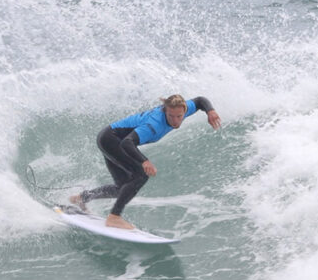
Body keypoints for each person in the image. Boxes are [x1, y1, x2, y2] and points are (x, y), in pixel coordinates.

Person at [70, 94, 221, 229]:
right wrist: (145, 161)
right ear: (165, 111)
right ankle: (114, 217)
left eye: (179, 116)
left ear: (184, 111)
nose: (175, 121)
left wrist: (211, 111)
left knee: (122, 187)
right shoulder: (154, 124)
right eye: (171, 116)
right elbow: (127, 143)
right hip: (112, 139)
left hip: (109, 137)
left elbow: (200, 100)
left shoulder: (183, 108)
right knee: (141, 175)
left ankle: (81, 198)